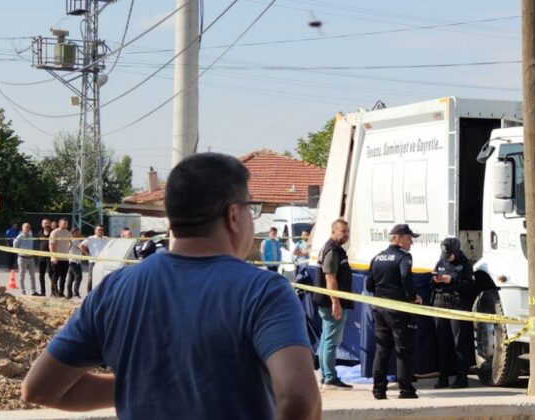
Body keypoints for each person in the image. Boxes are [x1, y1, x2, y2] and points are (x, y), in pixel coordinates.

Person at [21, 153, 320, 420]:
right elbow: (299, 399)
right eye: (249, 209)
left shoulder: (115, 290)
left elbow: (40, 389)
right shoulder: (265, 291)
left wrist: (144, 386)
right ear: (233, 215)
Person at [365, 224, 421, 400]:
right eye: (409, 237)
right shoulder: (404, 257)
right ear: (398, 237)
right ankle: (406, 390)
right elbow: (405, 277)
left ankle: (378, 390)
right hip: (399, 309)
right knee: (404, 350)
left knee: (382, 350)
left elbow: (369, 284)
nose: (411, 242)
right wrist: (412, 297)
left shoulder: (377, 258)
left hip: (380, 308)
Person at [430, 237, 476, 389]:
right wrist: (435, 280)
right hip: (440, 304)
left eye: (449, 254)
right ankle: (443, 377)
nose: (447, 257)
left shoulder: (465, 264)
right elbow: (431, 282)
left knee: (459, 343)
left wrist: (452, 281)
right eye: (445, 254)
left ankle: (461, 378)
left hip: (457, 305)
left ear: (456, 251)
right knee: (441, 344)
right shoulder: (441, 262)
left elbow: (470, 287)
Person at [314, 218, 354, 390]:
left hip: (326, 301)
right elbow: (330, 277)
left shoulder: (334, 249)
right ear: (333, 231)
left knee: (326, 339)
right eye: (342, 231)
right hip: (330, 303)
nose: (346, 235)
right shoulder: (332, 251)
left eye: (347, 231)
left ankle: (326, 375)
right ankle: (330, 377)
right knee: (331, 340)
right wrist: (335, 302)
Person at [79, 225, 108, 293]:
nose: (100, 231)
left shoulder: (106, 239)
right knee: (91, 277)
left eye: (102, 230)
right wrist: (88, 255)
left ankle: (101, 292)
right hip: (93, 261)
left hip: (103, 261)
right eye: (99, 230)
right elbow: (81, 245)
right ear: (95, 231)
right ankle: (89, 293)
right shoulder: (91, 238)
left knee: (103, 277)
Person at [49, 218, 73, 298]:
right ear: (59, 224)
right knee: (55, 276)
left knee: (63, 277)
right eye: (64, 223)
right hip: (56, 258)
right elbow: (51, 245)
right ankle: (54, 292)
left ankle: (61, 292)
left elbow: (70, 243)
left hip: (65, 258)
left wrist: (67, 250)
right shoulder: (55, 232)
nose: (66, 225)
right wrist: (54, 256)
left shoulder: (68, 233)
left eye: (66, 224)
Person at [13, 223, 39, 296]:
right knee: (22, 276)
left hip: (31, 258)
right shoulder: (19, 237)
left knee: (32, 275)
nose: (28, 229)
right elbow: (15, 247)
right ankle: (22, 290)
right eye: (26, 227)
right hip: (22, 258)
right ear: (22, 228)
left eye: (29, 227)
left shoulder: (31, 236)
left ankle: (34, 291)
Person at [65, 227, 84, 299]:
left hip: (74, 261)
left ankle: (69, 294)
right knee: (78, 276)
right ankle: (76, 293)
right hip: (74, 261)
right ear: (74, 233)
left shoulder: (73, 240)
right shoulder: (75, 240)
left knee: (71, 278)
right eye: (78, 232)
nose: (80, 233)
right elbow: (81, 247)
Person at [37, 219, 53, 297]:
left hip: (50, 257)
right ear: (42, 224)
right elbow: (39, 243)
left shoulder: (53, 232)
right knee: (41, 275)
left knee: (51, 274)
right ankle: (43, 292)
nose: (46, 224)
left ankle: (53, 291)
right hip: (41, 257)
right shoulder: (39, 233)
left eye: (48, 223)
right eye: (45, 223)